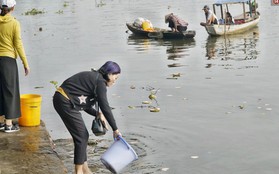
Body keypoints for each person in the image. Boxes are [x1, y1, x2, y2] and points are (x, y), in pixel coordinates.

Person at [53, 61, 122, 174]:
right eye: (116, 77)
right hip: (64, 101)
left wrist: (97, 114)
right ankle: (78, 171)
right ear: (109, 74)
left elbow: (83, 103)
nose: (115, 80)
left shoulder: (96, 78)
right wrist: (115, 129)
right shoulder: (100, 82)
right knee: (82, 135)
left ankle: (85, 169)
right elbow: (105, 107)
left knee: (81, 136)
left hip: (64, 100)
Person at [0, 0, 30, 133]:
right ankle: (9, 124)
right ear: (13, 7)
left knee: (0, 90)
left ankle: (1, 122)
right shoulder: (14, 23)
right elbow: (18, 44)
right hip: (8, 60)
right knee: (10, 90)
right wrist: (25, 63)